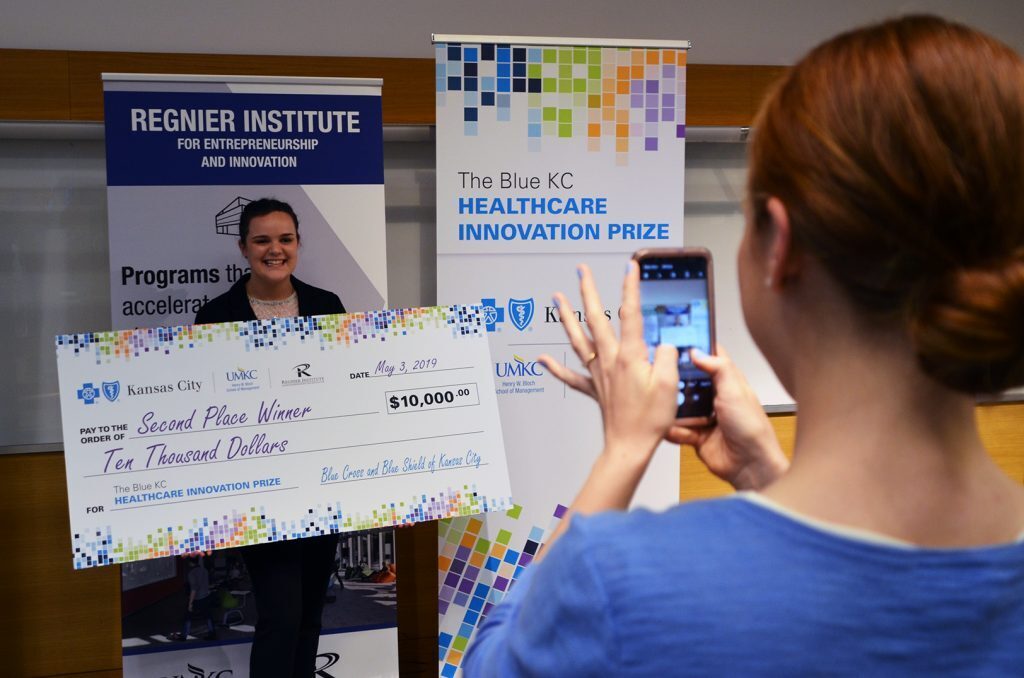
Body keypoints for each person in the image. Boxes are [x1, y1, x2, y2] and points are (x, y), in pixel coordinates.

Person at [464, 15, 1024, 676]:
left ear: (779, 244)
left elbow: (492, 662)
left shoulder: (621, 582)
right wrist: (766, 475)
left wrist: (620, 453)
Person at [195, 198, 344, 678]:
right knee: (280, 617)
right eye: (262, 240)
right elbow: (203, 417)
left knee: (309, 617)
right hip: (258, 495)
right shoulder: (216, 316)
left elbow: (350, 396)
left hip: (322, 490)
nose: (275, 249)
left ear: (298, 245)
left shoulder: (328, 306)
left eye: (285, 239)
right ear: (243, 248)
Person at [169, 554, 215, 641]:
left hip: (198, 599)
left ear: (190, 563)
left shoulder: (191, 573)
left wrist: (190, 603)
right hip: (206, 596)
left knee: (188, 617)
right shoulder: (205, 570)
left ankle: (183, 636)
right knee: (208, 616)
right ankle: (212, 634)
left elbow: (194, 589)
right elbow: (207, 584)